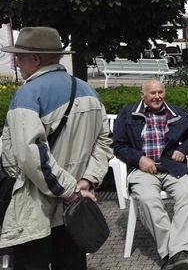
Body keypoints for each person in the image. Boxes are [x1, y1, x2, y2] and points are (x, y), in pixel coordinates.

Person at [0, 26, 112, 270]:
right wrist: (87, 181)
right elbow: (104, 142)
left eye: (19, 56)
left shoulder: (27, 95)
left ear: (36, 58)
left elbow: (31, 155)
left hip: (36, 207)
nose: (16, 62)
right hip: (74, 208)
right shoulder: (88, 90)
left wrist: (70, 190)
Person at [113, 79, 188, 270]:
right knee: (147, 199)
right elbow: (118, 146)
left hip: (171, 168)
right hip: (142, 170)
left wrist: (184, 150)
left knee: (187, 193)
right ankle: (175, 253)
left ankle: (177, 252)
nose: (157, 97)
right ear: (142, 95)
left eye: (160, 92)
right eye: (152, 93)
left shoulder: (177, 113)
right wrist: (139, 159)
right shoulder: (128, 115)